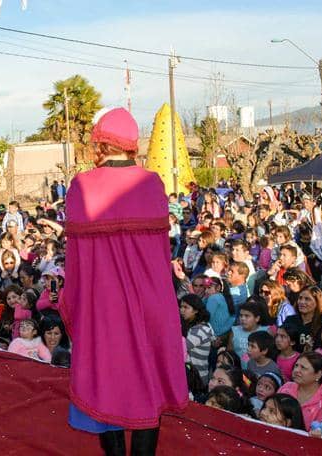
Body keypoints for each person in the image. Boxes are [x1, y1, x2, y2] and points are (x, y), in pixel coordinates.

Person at [62, 107, 187, 455]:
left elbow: (75, 263)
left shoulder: (81, 186)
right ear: (132, 144)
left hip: (104, 307)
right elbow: (162, 256)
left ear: (99, 143)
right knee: (151, 382)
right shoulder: (153, 184)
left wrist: (73, 303)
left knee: (109, 381)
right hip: (154, 302)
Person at [277, 351, 322, 430]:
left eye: (303, 368)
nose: (296, 370)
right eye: (296, 365)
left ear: (318, 374)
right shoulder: (286, 388)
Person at [179, 294, 214, 384]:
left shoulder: (200, 329)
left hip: (197, 378)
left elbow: (180, 348)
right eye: (181, 307)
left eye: (186, 307)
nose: (181, 310)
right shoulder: (192, 326)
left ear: (195, 310)